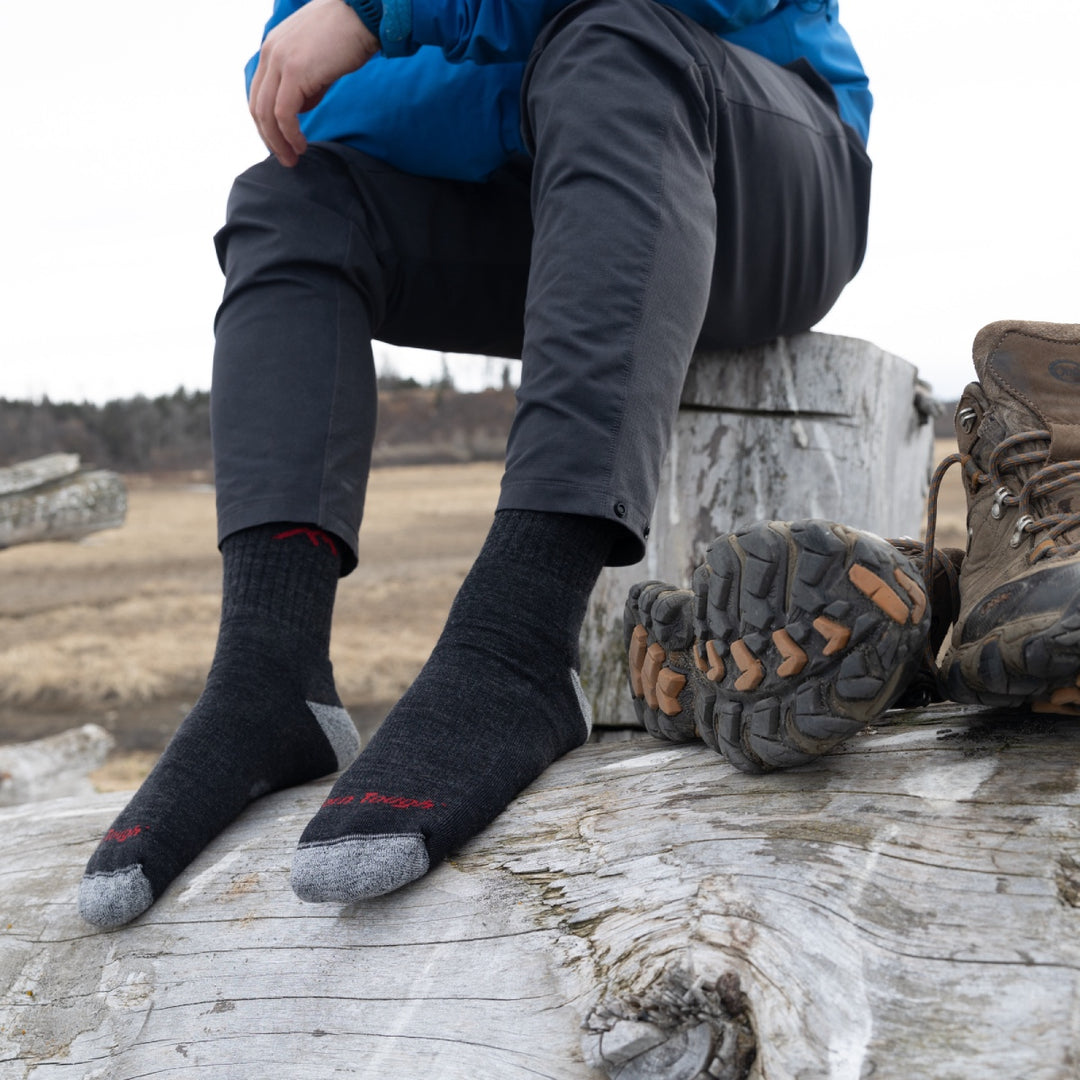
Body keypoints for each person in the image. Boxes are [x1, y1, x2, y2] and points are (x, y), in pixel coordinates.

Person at [79, 0, 876, 927]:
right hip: (552, 179)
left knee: (613, 40)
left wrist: (395, 15)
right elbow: (306, 99)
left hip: (760, 163)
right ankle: (269, 675)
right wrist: (522, 78)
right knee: (292, 200)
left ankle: (520, 643)